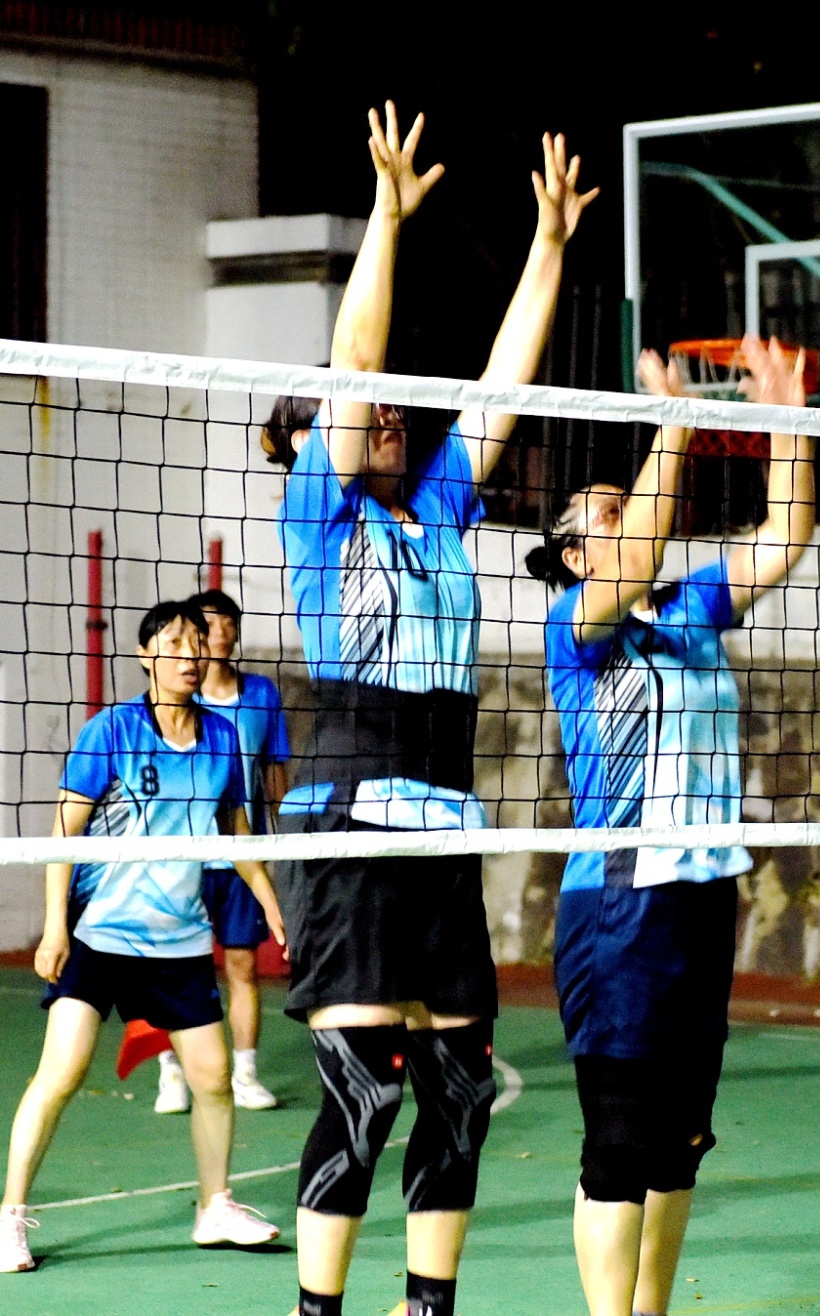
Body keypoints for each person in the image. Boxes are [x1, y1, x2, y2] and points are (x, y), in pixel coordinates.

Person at [265, 102, 595, 1316]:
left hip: (443, 820)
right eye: (365, 415)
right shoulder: (323, 511)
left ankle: (427, 1305)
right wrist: (387, 220)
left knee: (455, 1092)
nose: (389, 414)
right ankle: (318, 1310)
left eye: (403, 410)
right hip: (351, 817)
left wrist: (547, 245)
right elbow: (356, 366)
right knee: (363, 1089)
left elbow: (503, 383)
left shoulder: (444, 505)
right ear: (313, 443)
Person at [528, 338, 815, 1316]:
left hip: (702, 895)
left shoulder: (690, 609)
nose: (629, 515)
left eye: (632, 502)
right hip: (620, 901)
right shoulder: (576, 625)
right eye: (605, 513)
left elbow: (786, 535)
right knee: (617, 1141)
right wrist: (676, 421)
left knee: (681, 1139)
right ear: (575, 554)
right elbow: (642, 550)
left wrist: (786, 419)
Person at [0, 601, 286, 1274]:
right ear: (146, 655)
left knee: (214, 1079)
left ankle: (215, 1207)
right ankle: (9, 1216)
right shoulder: (112, 731)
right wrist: (55, 926)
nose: (190, 655)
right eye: (175, 643)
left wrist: (272, 902)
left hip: (178, 940)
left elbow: (235, 830)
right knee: (61, 1073)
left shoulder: (222, 738)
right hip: (100, 934)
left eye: (197, 644)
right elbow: (64, 832)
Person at [154, 588, 290, 1115]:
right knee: (173, 969)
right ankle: (171, 1073)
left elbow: (274, 769)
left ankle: (245, 1075)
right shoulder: (173, 701)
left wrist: (286, 837)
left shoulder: (261, 694)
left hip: (240, 858)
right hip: (182, 857)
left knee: (242, 966)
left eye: (231, 622)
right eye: (212, 623)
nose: (223, 632)